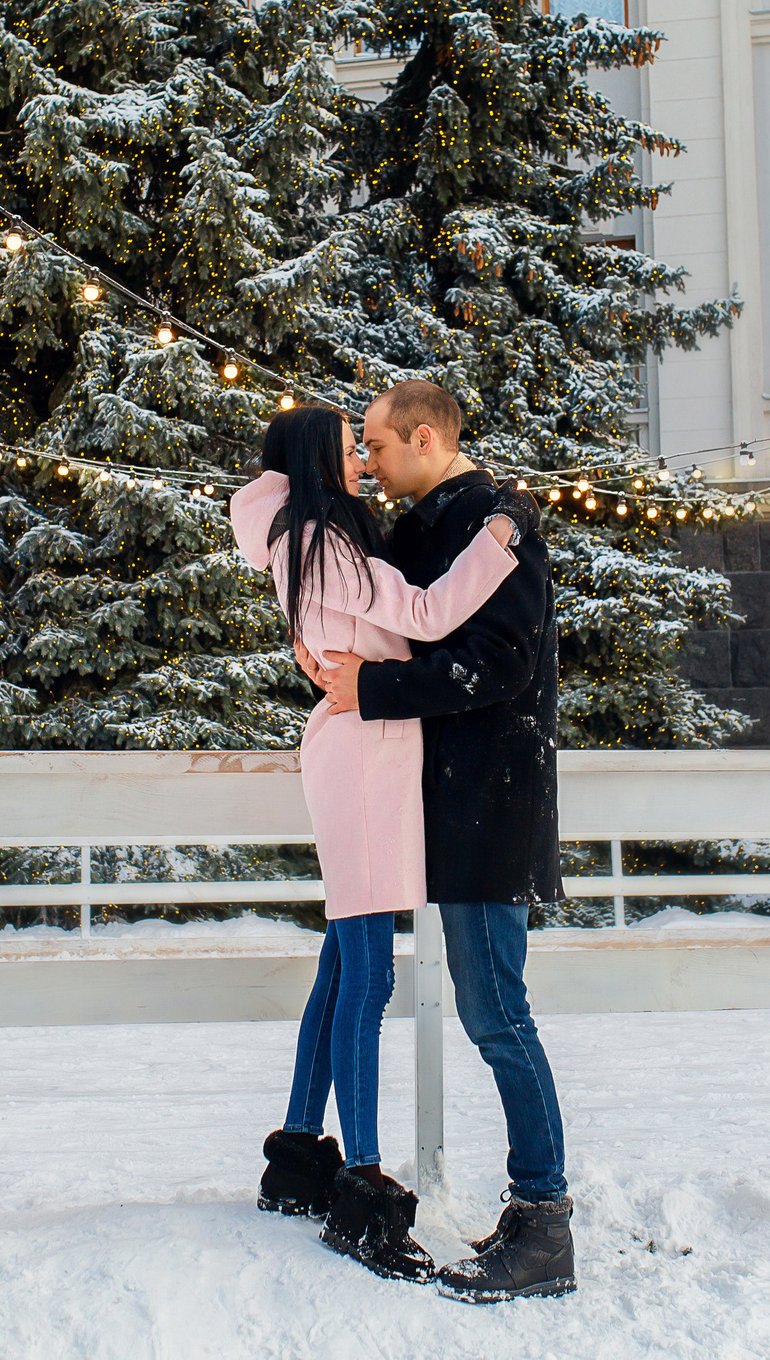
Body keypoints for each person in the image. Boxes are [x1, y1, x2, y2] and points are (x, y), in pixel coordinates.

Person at [226, 403, 523, 1283]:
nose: (361, 459)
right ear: (317, 460)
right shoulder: (320, 543)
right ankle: (361, 1189)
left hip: (357, 752)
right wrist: (498, 541)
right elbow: (429, 615)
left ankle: (297, 1160)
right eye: (347, 448)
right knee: (367, 973)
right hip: (363, 758)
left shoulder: (305, 541)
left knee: (338, 965)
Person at [301, 379, 575, 1303]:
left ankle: (544, 1219)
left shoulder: (498, 524)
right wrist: (328, 654)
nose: (368, 465)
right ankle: (531, 1209)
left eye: (375, 446)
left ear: (423, 437)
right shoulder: (429, 524)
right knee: (479, 1005)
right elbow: (376, 610)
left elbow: (497, 665)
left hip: (489, 807)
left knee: (496, 1010)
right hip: (437, 807)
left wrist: (368, 690)